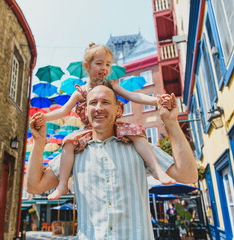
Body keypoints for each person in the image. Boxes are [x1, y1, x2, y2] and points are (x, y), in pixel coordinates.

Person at [27, 83, 198, 239]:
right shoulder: (73, 151)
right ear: (85, 111)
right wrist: (39, 142)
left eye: (106, 102)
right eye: (93, 103)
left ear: (118, 110)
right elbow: (35, 185)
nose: (98, 108)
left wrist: (171, 122)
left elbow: (187, 174)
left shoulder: (138, 146)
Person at [32, 42, 175, 201]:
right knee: (68, 143)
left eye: (107, 64)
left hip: (113, 125)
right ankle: (63, 184)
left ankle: (157, 170)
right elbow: (63, 110)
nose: (104, 68)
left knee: (137, 133)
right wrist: (43, 117)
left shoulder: (111, 86)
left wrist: (157, 101)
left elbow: (134, 96)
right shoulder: (81, 92)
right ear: (86, 66)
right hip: (90, 130)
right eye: (99, 63)